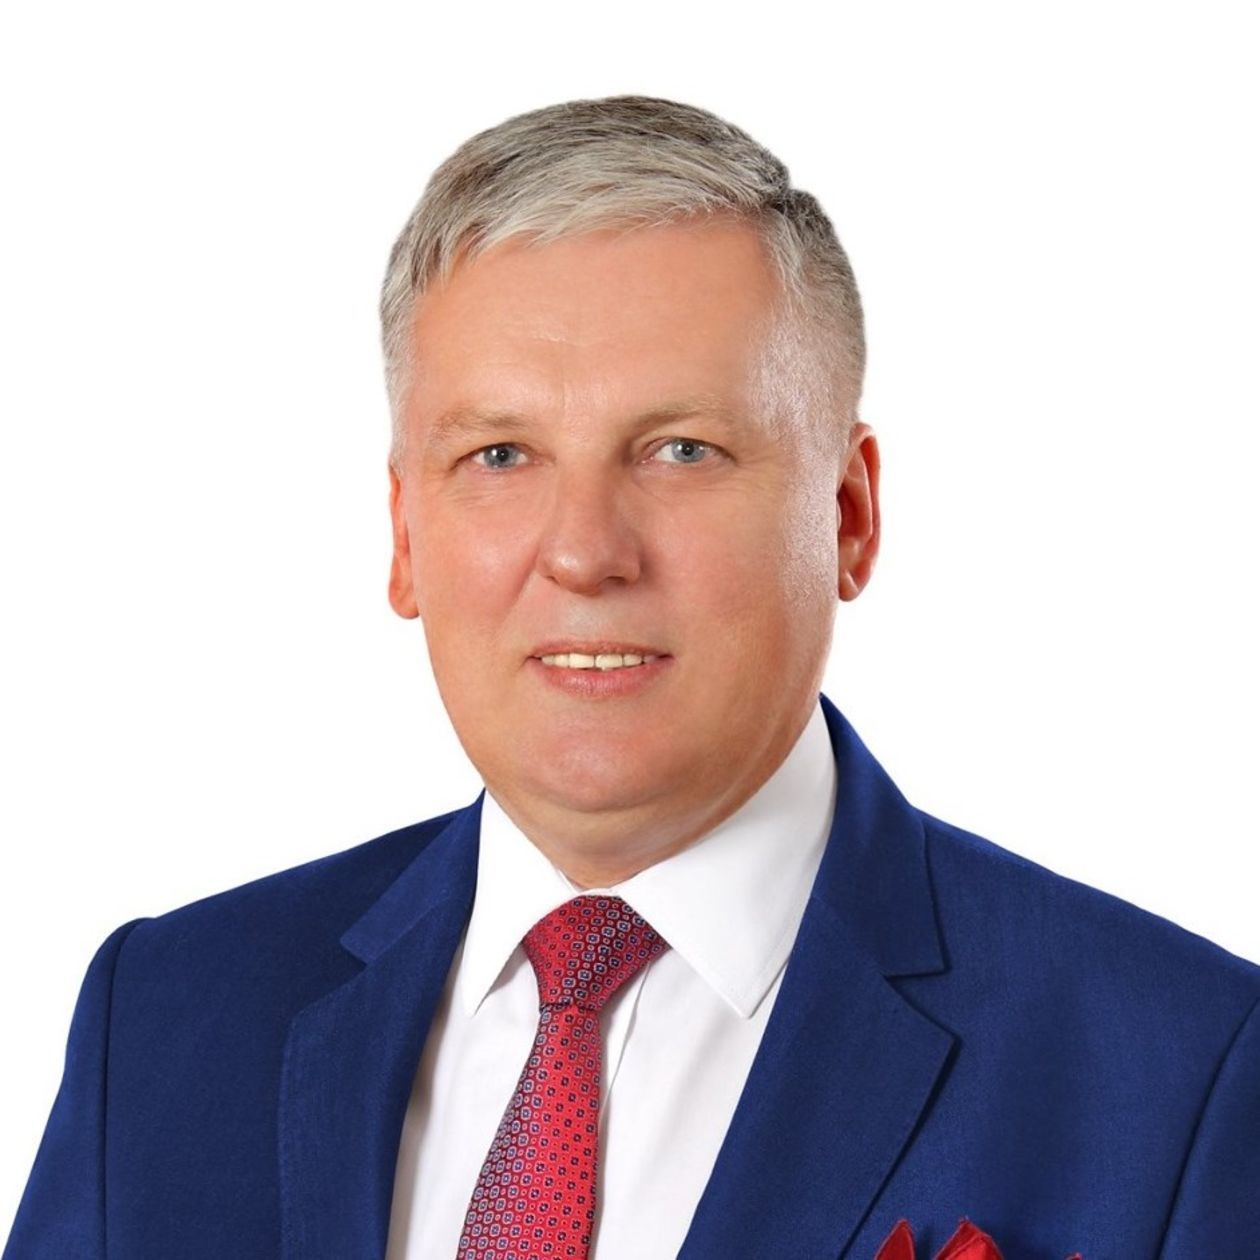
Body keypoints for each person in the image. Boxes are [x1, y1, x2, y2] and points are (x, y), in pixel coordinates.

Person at [4, 96, 1258, 1260]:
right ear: (404, 536)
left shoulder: (1186, 1072)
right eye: (501, 455)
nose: (585, 551)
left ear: (849, 514)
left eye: (681, 449)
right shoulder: (163, 1023)